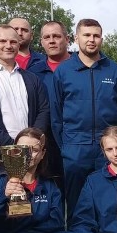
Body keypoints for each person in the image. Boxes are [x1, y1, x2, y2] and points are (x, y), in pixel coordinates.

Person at [50, 19, 117, 220]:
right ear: (76, 38)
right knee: (76, 204)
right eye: (86, 35)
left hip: (108, 148)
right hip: (75, 148)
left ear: (101, 38)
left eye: (96, 35)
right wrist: (66, 146)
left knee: (109, 201)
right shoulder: (64, 72)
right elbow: (56, 116)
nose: (91, 40)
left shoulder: (114, 70)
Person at [0, 24, 50, 183]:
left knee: (30, 206)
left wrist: (31, 143)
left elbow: (43, 110)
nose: (8, 45)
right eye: (2, 41)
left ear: (19, 44)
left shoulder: (32, 79)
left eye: (13, 42)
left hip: (31, 156)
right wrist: (12, 145)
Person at [28, 20, 73, 186]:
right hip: (45, 141)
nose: (52, 41)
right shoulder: (32, 73)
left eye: (57, 36)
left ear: (67, 39)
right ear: (41, 42)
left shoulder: (80, 67)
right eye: (47, 37)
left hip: (73, 138)